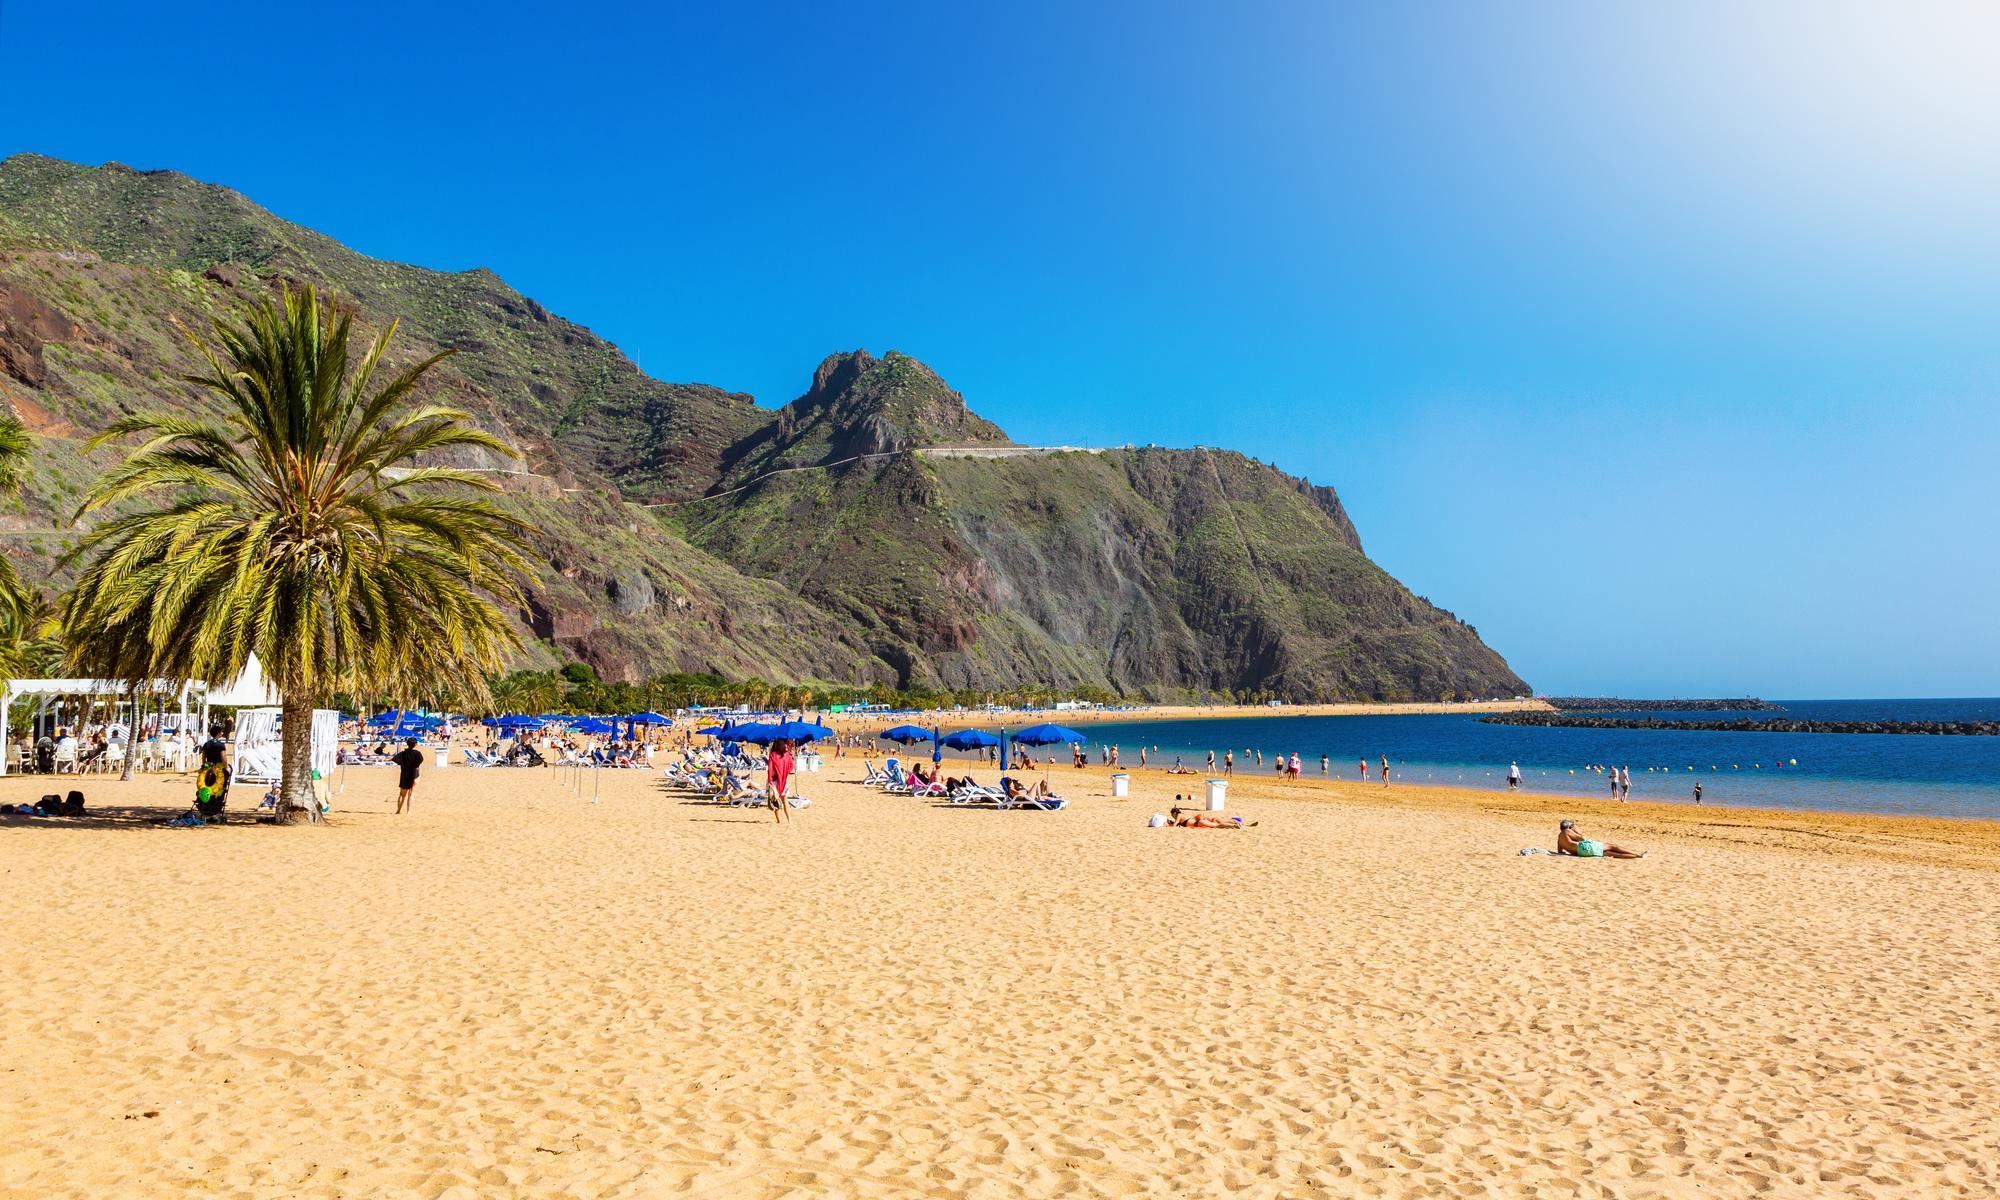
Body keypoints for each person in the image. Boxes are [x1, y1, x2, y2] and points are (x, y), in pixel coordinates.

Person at [1556, 818, 1646, 859]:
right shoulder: (1567, 831)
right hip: (1584, 848)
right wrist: (1576, 830)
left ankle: (1636, 856)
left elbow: (1560, 851)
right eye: (1572, 826)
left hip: (1580, 853)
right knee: (1612, 846)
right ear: (1569, 827)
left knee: (1608, 853)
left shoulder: (1559, 838)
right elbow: (1582, 838)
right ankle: (1636, 853)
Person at [765, 737, 795, 825]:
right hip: (777, 780)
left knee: (781, 799)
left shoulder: (780, 754)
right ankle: (782, 820)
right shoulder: (778, 755)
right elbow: (770, 769)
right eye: (783, 743)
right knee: (778, 800)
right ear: (779, 744)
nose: (785, 745)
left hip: (779, 780)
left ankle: (786, 820)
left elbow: (790, 767)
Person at [391, 737, 425, 814]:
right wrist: (415, 765)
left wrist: (401, 763)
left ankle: (398, 810)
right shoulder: (417, 753)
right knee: (411, 793)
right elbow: (420, 760)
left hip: (405, 774)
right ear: (415, 744)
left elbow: (394, 759)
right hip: (414, 773)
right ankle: (409, 811)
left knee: (402, 794)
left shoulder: (402, 753)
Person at [1167, 806, 1257, 829]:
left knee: (1218, 825)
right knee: (1222, 822)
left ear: (1175, 813)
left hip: (1199, 823)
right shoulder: (1183, 814)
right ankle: (1247, 825)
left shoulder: (1179, 815)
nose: (1173, 817)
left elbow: (1174, 825)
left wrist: (1168, 825)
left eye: (1172, 815)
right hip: (1200, 820)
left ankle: (1235, 826)